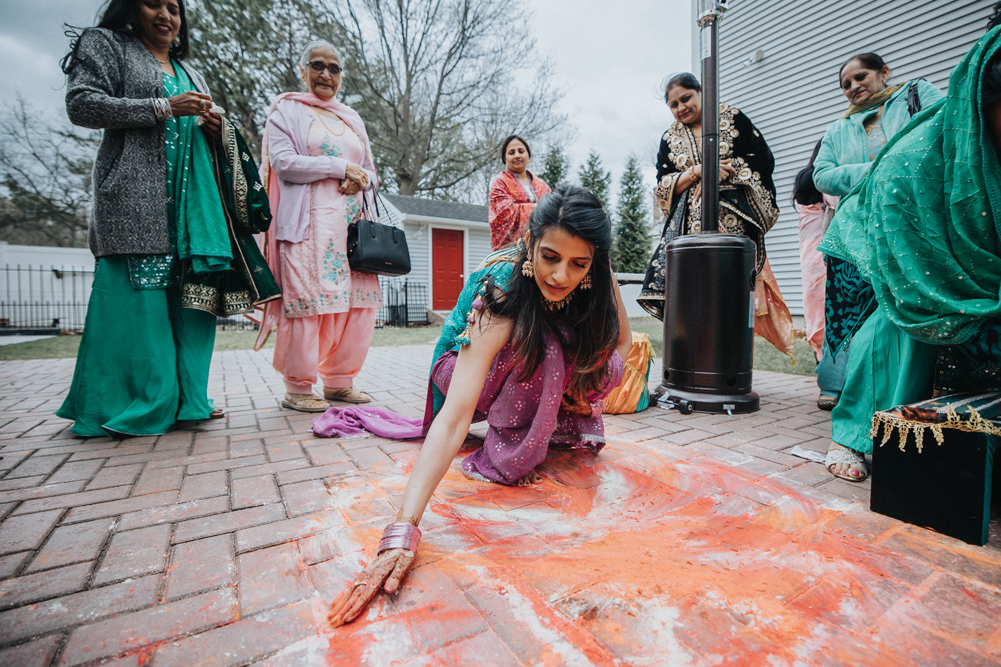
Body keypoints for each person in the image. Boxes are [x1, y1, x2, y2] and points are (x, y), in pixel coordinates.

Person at [326, 185, 632, 626]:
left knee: (600, 364)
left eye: (578, 263)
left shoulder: (592, 280)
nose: (561, 276)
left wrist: (580, 374)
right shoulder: (502, 296)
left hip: (523, 364)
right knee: (542, 349)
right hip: (463, 369)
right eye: (550, 257)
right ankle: (507, 446)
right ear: (529, 244)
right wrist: (402, 531)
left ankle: (545, 412)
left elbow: (618, 344)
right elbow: (453, 421)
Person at [57, 0, 278, 436]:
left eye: (174, 7)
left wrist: (218, 128)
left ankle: (187, 401)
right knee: (141, 308)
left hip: (195, 213)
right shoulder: (108, 45)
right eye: (153, 3)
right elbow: (82, 105)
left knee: (191, 307)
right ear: (130, 7)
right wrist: (162, 107)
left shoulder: (188, 70)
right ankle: (134, 405)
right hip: (136, 204)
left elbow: (199, 125)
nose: (166, 14)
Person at [813, 53, 945, 479]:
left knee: (916, 318)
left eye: (861, 77)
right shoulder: (838, 128)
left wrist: (891, 167)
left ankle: (907, 430)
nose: (853, 87)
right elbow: (823, 176)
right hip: (867, 231)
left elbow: (945, 133)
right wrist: (881, 168)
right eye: (845, 83)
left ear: (884, 73)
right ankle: (852, 434)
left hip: (925, 221)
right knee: (879, 320)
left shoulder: (916, 95)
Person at [254, 40, 381, 413]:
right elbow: (283, 162)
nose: (326, 74)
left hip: (352, 228)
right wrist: (339, 167)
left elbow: (372, 171)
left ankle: (340, 382)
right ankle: (298, 386)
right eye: (318, 65)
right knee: (308, 304)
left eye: (334, 68)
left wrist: (361, 180)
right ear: (303, 69)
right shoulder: (288, 110)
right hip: (306, 229)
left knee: (355, 308)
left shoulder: (351, 118)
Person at [638, 72, 793, 357]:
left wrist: (722, 173)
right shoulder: (670, 138)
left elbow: (761, 160)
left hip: (732, 223)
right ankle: (693, 359)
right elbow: (662, 186)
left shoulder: (732, 119)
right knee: (691, 293)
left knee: (729, 292)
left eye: (686, 98)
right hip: (688, 230)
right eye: (673, 104)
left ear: (701, 92)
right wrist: (697, 172)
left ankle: (727, 360)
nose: (681, 107)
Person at [791, 141, 836, 362]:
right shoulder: (807, 177)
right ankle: (821, 358)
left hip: (825, 249)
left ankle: (826, 359)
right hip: (815, 252)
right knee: (819, 302)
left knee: (826, 303)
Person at [488, 135, 552, 250]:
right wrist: (537, 208)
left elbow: (553, 211)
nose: (517, 155)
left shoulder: (542, 185)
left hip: (540, 246)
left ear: (528, 155)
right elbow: (504, 213)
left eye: (521, 151)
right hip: (510, 251)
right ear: (505, 158)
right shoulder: (500, 182)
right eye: (512, 153)